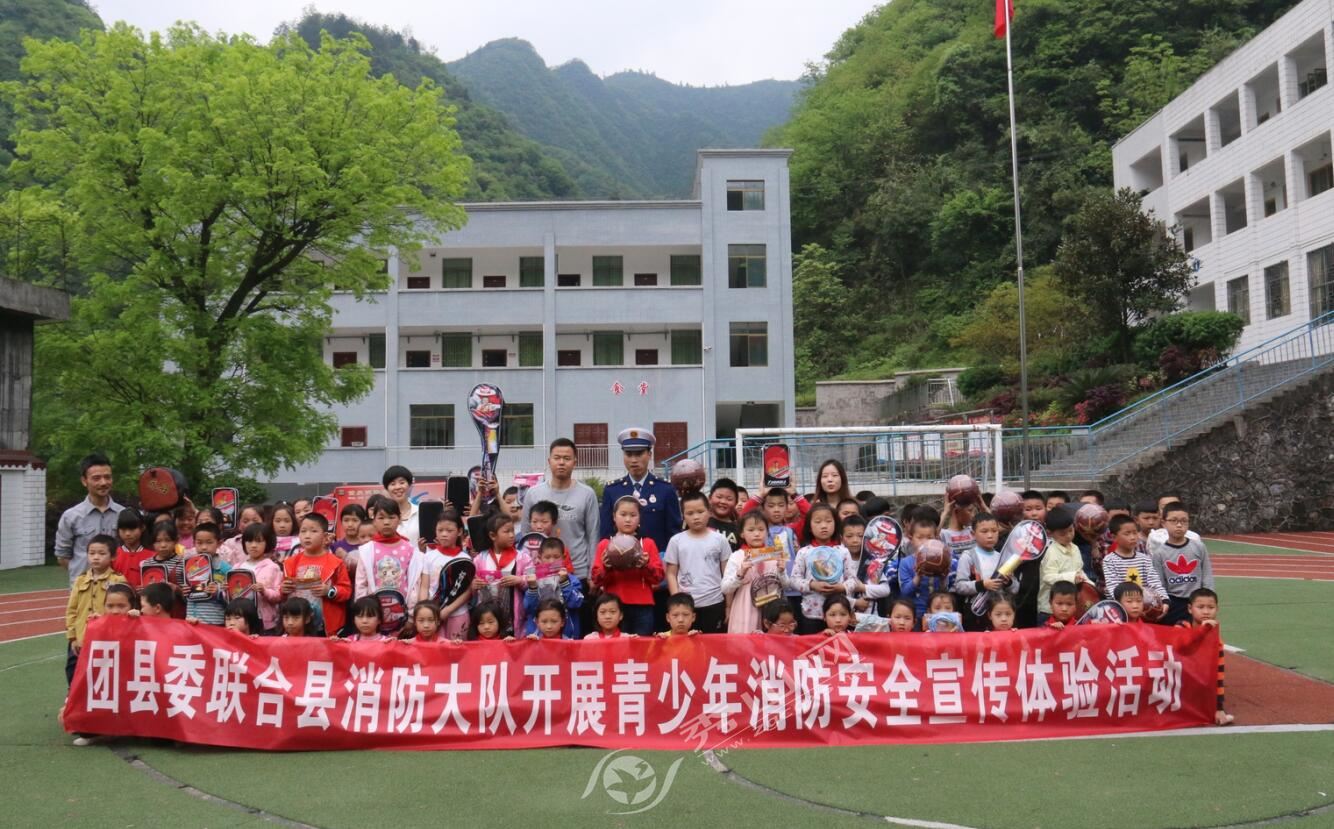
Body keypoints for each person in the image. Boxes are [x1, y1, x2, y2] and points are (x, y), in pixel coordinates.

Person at [591, 496, 664, 636]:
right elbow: (596, 579)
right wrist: (606, 568)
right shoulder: (605, 545)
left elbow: (658, 577)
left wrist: (646, 565)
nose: (628, 519)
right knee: (618, 646)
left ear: (639, 518)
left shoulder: (648, 543)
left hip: (643, 605)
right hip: (613, 607)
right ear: (614, 516)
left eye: (633, 515)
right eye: (623, 514)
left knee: (642, 645)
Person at [664, 491, 731, 633]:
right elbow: (671, 574)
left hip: (714, 602)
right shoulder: (676, 541)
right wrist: (677, 603)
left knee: (712, 643)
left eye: (700, 512)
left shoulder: (720, 540)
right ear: (683, 515)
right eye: (690, 513)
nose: (696, 517)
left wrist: (729, 606)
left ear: (709, 511)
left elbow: (728, 575)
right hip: (686, 607)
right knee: (686, 644)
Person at [64, 534, 126, 685]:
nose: (96, 557)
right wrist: (72, 638)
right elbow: (72, 610)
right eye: (92, 553)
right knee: (73, 672)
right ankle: (72, 697)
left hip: (105, 639)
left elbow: (123, 610)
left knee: (102, 674)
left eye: (101, 553)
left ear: (113, 557)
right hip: (81, 638)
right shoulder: (80, 580)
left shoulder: (118, 580)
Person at [55, 453, 125, 586]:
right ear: (84, 481)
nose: (103, 482)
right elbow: (62, 557)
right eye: (96, 478)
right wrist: (83, 575)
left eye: (107, 477)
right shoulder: (71, 516)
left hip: (116, 589)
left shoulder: (123, 514)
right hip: (83, 589)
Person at [789, 504, 857, 635]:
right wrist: (812, 585)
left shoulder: (842, 551)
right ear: (809, 527)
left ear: (836, 524)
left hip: (839, 615)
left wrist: (841, 587)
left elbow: (853, 580)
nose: (824, 526)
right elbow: (794, 580)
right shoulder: (804, 552)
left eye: (828, 521)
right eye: (818, 522)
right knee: (814, 646)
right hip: (812, 613)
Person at [281, 513, 352, 636]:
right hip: (297, 625)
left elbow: (346, 591)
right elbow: (282, 594)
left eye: (313, 531)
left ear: (325, 537)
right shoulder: (290, 562)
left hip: (325, 626)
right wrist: (283, 590)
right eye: (303, 531)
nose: (307, 536)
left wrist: (329, 591)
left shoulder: (336, 563)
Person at [722, 511, 788, 634]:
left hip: (772, 608)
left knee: (771, 643)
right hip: (745, 608)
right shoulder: (737, 556)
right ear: (742, 533)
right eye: (751, 530)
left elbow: (786, 585)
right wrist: (740, 574)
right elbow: (725, 588)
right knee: (745, 643)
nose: (757, 534)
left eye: (761, 529)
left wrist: (782, 571)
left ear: (767, 532)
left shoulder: (775, 555)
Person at [1150, 502, 1215, 625]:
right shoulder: (1159, 553)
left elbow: (1207, 575)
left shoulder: (1199, 547)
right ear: (1163, 523)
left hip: (1197, 601)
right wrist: (1164, 602)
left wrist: (1208, 599)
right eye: (1173, 520)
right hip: (1173, 602)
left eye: (1184, 521)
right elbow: (1159, 583)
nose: (1179, 525)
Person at [952, 513, 1016, 630]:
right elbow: (959, 586)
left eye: (994, 531)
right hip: (975, 612)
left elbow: (1016, 588)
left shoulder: (1002, 557)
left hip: (998, 614)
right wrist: (982, 584)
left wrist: (1009, 583)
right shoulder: (968, 557)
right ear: (973, 534)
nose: (990, 535)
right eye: (984, 531)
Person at [353, 498, 420, 604]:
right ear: (374, 520)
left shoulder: (410, 549)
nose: (386, 522)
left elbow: (414, 584)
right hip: (373, 611)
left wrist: (411, 611)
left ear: (399, 519)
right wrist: (364, 610)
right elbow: (361, 584)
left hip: (403, 609)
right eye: (381, 518)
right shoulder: (367, 550)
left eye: (391, 517)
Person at [472, 512, 530, 635]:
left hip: (514, 617)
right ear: (492, 536)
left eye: (512, 531)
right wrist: (474, 585)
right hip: (487, 620)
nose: (512, 535)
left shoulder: (523, 557)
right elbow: (471, 586)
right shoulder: (480, 559)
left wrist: (520, 580)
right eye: (506, 531)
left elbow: (534, 579)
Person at [1183, 587, 1233, 725]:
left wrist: (1219, 708)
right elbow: (1182, 644)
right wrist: (1202, 631)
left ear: (1217, 609)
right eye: (1200, 607)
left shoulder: (1216, 641)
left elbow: (1219, 674)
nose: (1206, 612)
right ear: (1190, 609)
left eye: (1211, 607)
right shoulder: (1181, 627)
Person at [1102, 515, 1168, 614]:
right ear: (1114, 537)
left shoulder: (1144, 559)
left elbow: (1154, 582)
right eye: (1127, 534)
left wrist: (1164, 600)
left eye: (1135, 532)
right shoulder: (1109, 560)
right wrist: (1129, 604)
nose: (1133, 537)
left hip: (1145, 607)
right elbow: (1113, 587)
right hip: (1120, 610)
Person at [421, 512, 472, 639]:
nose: (444, 534)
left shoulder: (465, 559)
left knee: (456, 648)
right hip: (432, 615)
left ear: (459, 531)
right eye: (440, 530)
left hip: (458, 613)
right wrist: (423, 610)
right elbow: (424, 586)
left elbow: (467, 591)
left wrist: (448, 610)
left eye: (449, 530)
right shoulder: (429, 557)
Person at [898, 513, 955, 621]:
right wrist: (918, 577)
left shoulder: (942, 559)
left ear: (936, 538)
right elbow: (905, 593)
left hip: (938, 614)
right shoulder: (906, 563)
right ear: (911, 538)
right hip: (915, 614)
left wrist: (943, 578)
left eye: (929, 537)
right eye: (920, 537)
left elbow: (945, 591)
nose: (925, 542)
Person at [522, 537, 583, 638]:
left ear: (563, 557)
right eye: (547, 557)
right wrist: (532, 588)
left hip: (566, 635)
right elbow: (529, 608)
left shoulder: (572, 580)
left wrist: (565, 582)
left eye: (556, 557)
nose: (552, 561)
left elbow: (576, 603)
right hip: (538, 635)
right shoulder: (534, 580)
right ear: (539, 557)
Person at [1038, 505, 1087, 623]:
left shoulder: (1075, 548)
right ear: (1050, 534)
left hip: (1070, 608)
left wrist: (1091, 587)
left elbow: (1079, 571)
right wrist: (1072, 577)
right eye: (1062, 534)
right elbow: (1048, 577)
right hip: (1049, 610)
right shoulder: (1052, 552)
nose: (1068, 535)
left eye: (1071, 530)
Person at [237, 522, 284, 634]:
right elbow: (231, 597)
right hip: (241, 621)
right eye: (249, 541)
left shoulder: (273, 567)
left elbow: (279, 596)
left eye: (259, 541)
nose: (253, 545)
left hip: (264, 622)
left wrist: (264, 591)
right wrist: (225, 591)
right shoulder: (237, 567)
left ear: (267, 543)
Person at [182, 523, 231, 625]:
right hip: (191, 620)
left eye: (209, 542)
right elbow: (187, 593)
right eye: (199, 543)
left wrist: (218, 592)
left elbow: (232, 598)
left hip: (214, 622)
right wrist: (185, 591)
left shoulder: (225, 569)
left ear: (219, 543)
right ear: (194, 543)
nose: (204, 547)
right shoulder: (189, 566)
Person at [382, 465, 421, 549]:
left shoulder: (420, 512)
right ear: (387, 488)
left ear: (409, 485)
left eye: (402, 483)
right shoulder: (382, 516)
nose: (397, 487)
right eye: (393, 484)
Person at [111, 508, 151, 589]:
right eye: (123, 529)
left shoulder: (152, 556)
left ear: (142, 528)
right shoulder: (113, 555)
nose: (127, 533)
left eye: (132, 529)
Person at [707, 478, 742, 550]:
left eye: (729, 499)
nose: (723, 501)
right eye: (719, 497)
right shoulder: (700, 523)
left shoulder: (740, 529)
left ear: (736, 503)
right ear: (710, 498)